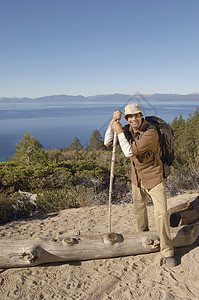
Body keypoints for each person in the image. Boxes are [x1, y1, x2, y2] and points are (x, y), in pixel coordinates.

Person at [104, 103, 177, 267]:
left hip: (153, 176)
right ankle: (144, 238)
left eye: (136, 115)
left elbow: (130, 151)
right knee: (139, 210)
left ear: (141, 115)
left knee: (161, 213)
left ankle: (167, 251)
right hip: (137, 177)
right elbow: (108, 143)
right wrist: (112, 123)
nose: (133, 119)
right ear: (127, 118)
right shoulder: (128, 129)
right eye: (129, 117)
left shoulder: (150, 132)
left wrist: (120, 131)